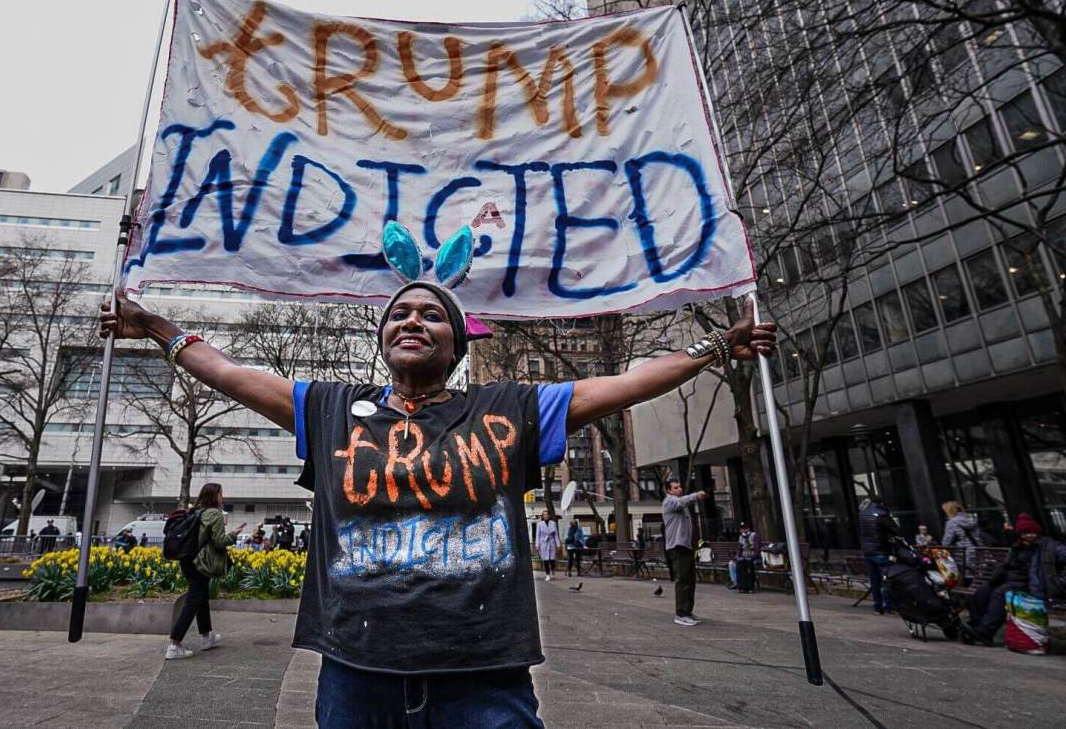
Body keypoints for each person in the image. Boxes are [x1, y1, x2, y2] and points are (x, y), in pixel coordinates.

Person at [101, 283, 774, 726]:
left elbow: (626, 383)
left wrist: (716, 346)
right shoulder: (331, 408)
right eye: (398, 313)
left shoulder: (511, 407)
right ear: (384, 339)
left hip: (483, 677)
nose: (412, 319)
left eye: (430, 314)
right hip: (357, 674)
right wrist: (154, 325)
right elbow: (226, 372)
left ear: (455, 344)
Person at [167, 482, 246, 660]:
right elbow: (219, 542)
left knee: (201, 597)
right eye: (220, 493)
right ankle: (175, 644)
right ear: (214, 496)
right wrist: (234, 534)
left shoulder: (195, 511)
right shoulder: (215, 514)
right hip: (201, 563)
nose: (222, 497)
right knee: (194, 600)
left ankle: (206, 636)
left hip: (187, 560)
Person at [963, 513, 1065, 645]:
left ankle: (985, 631)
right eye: (1024, 533)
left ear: (1037, 532)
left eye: (1031, 532)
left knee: (1001, 594)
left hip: (1032, 584)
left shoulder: (1049, 546)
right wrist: (994, 580)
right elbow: (1006, 567)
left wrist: (1059, 581)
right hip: (1012, 580)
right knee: (982, 591)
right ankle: (976, 626)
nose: (1028, 536)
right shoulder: (1017, 547)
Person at [661, 478, 709, 626]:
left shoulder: (680, 503)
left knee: (690, 580)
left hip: (686, 546)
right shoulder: (670, 501)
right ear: (669, 491)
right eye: (675, 488)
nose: (679, 489)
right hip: (677, 545)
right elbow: (680, 502)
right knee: (683, 580)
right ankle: (681, 613)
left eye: (680, 487)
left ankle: (687, 611)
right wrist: (695, 496)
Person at [859, 497, 900, 615]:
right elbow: (894, 529)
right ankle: (889, 606)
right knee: (886, 579)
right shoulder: (881, 514)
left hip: (868, 552)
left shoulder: (863, 514)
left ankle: (878, 606)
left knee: (874, 580)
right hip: (881, 550)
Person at [727, 522, 761, 591]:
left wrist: (751, 557)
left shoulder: (754, 535)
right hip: (743, 558)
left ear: (748, 528)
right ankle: (736, 582)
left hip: (753, 558)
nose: (742, 530)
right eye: (741, 529)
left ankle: (747, 584)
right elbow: (739, 549)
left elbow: (757, 550)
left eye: (744, 528)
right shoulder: (741, 537)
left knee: (746, 564)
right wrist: (736, 557)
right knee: (731, 563)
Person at [535, 511, 560, 581]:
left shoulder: (553, 523)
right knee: (545, 560)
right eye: (544, 515)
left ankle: (553, 570)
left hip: (551, 542)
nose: (546, 516)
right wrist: (537, 545)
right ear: (542, 516)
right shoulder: (540, 524)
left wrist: (558, 544)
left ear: (549, 515)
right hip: (543, 543)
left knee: (552, 559)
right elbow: (538, 535)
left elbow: (556, 535)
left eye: (547, 514)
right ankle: (547, 575)